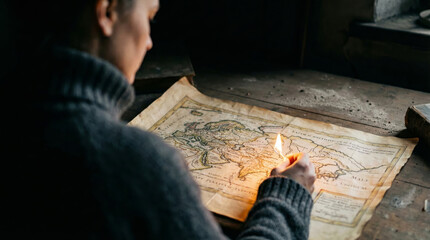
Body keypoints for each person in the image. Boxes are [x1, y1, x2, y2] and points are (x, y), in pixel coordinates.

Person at [1, 0, 316, 239]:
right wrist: (284, 198)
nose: (150, 41)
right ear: (107, 12)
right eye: (148, 17)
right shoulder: (136, 165)